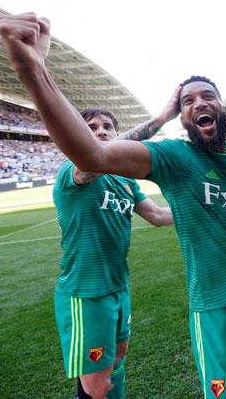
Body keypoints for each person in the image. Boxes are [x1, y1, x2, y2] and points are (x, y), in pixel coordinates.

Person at [0, 13, 226, 399]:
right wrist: (32, 70)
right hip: (210, 303)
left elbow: (160, 215)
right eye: (187, 100)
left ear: (224, 106)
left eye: (208, 95)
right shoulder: (175, 157)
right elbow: (92, 156)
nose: (199, 103)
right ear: (182, 117)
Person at [53, 108, 173, 399]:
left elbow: (156, 215)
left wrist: (200, 208)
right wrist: (161, 120)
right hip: (86, 294)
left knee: (118, 358)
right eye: (91, 127)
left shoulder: (125, 181)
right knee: (97, 386)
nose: (101, 131)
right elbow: (91, 163)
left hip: (119, 288)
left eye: (108, 127)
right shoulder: (74, 172)